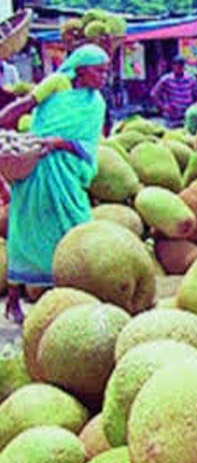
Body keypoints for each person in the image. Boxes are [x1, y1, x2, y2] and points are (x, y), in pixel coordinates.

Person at [0, 45, 110, 322]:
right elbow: (24, 105)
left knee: (76, 225)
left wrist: (59, 142)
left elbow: (88, 144)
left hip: (65, 171)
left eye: (107, 71)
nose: (104, 77)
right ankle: (13, 301)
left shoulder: (96, 103)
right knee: (25, 229)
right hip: (36, 167)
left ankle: (69, 298)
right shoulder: (58, 83)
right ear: (82, 70)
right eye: (99, 70)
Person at [150, 55, 197, 128]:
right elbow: (154, 94)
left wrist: (194, 107)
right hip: (171, 117)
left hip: (186, 116)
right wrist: (163, 107)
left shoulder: (191, 79)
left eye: (181, 66)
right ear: (173, 66)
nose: (179, 68)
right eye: (177, 66)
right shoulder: (166, 79)